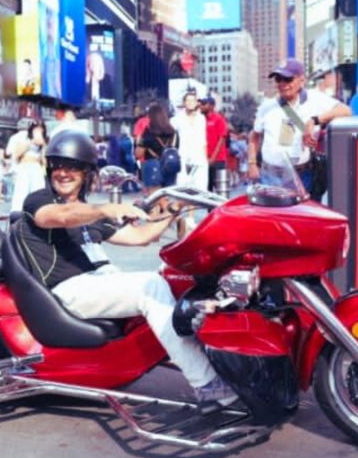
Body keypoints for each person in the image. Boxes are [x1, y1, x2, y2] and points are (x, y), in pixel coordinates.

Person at [18, 130, 237, 410]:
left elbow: (139, 236)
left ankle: (226, 361)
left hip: (100, 282)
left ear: (86, 173)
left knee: (175, 276)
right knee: (151, 287)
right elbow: (58, 217)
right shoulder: (39, 201)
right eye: (58, 165)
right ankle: (208, 385)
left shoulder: (87, 211)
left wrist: (174, 207)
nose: (63, 173)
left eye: (73, 167)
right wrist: (106, 208)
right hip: (68, 291)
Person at [247, 59, 351, 195]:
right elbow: (254, 136)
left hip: (302, 176)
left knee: (301, 215)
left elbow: (346, 111)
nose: (282, 84)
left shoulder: (316, 99)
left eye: (288, 79)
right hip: (270, 176)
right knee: (274, 216)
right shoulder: (266, 106)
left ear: (301, 80)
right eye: (278, 79)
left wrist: (314, 120)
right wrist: (252, 163)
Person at [171, 91, 208, 236]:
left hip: (199, 157)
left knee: (195, 190)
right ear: (184, 102)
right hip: (183, 156)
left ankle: (191, 219)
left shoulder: (201, 118)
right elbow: (170, 134)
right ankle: (179, 217)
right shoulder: (177, 119)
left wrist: (205, 157)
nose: (191, 103)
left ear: (197, 102)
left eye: (193, 100)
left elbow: (204, 139)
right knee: (183, 189)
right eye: (188, 100)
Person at [136, 102, 179, 194]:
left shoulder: (149, 132)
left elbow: (139, 154)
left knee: (155, 197)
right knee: (167, 194)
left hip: (153, 165)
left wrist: (139, 141)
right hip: (170, 166)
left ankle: (164, 208)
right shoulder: (173, 132)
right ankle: (167, 207)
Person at [10, 121, 47, 213]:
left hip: (37, 168)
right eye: (36, 128)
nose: (38, 131)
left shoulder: (44, 142)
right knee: (21, 193)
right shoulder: (24, 139)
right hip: (25, 167)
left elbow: (44, 160)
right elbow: (16, 155)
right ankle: (17, 214)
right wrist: (31, 143)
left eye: (40, 129)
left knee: (38, 192)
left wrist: (43, 145)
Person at [199, 96, 228, 193]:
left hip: (218, 160)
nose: (201, 106)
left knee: (220, 189)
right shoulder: (201, 119)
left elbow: (222, 139)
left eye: (204, 104)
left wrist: (213, 158)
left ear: (211, 106)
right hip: (205, 160)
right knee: (208, 189)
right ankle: (210, 209)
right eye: (201, 104)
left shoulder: (218, 119)